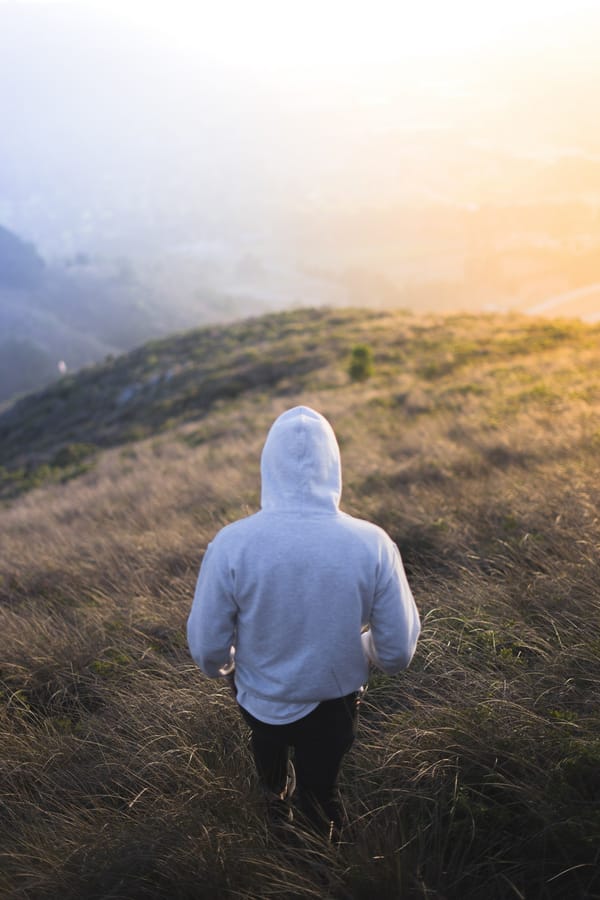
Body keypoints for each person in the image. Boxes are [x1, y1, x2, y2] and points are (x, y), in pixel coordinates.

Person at [187, 406, 420, 840]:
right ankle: (317, 873)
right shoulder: (372, 543)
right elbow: (399, 651)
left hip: (257, 697)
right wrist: (362, 651)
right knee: (322, 798)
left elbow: (206, 649)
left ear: (267, 466)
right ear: (333, 464)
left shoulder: (232, 544)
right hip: (333, 705)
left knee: (268, 745)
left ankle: (273, 799)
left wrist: (233, 666)